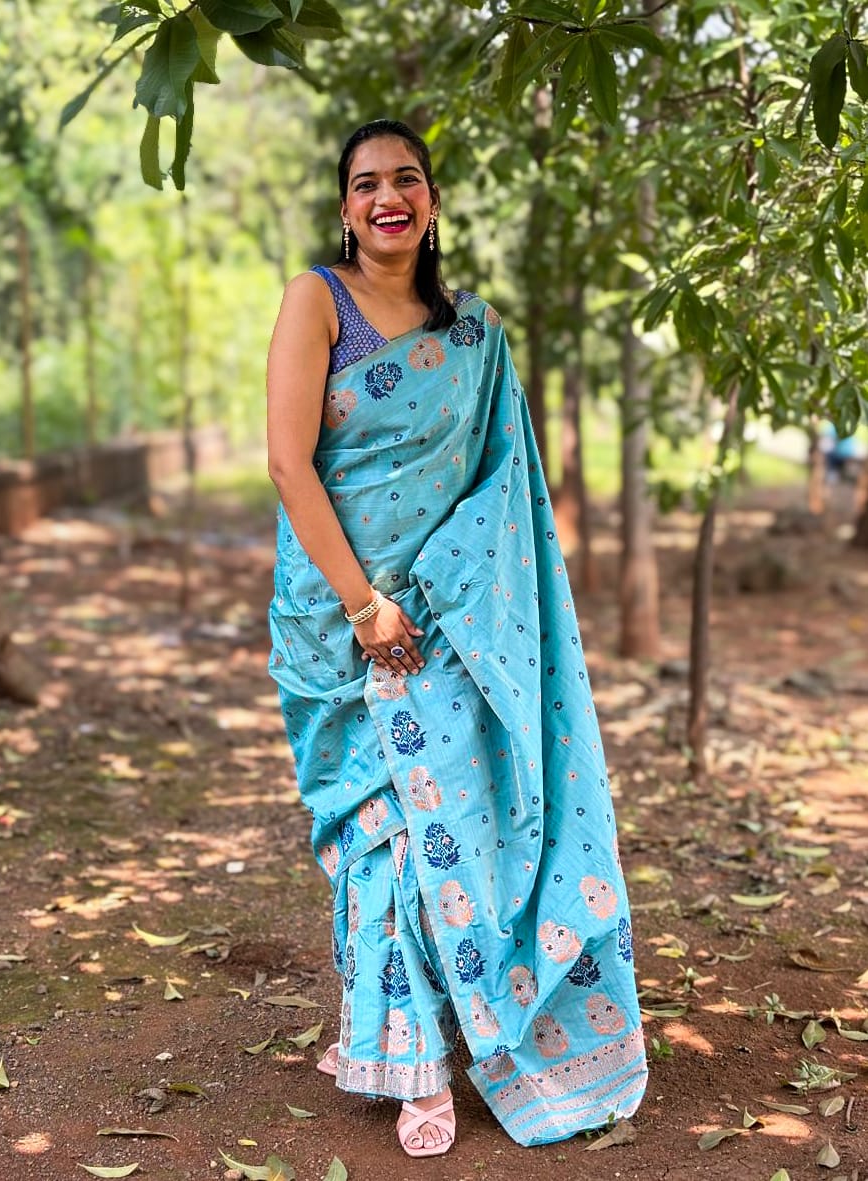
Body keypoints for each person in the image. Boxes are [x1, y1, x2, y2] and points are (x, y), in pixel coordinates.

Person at [266, 119, 647, 1158]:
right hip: (340, 618)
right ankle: (410, 1057)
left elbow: (499, 481)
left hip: (445, 619)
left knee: (452, 828)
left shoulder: (472, 332)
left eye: (407, 179)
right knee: (381, 831)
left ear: (432, 201)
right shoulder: (318, 300)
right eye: (366, 184)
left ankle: (430, 1033)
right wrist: (363, 607)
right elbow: (290, 464)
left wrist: (426, 597)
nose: (387, 197)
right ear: (345, 209)